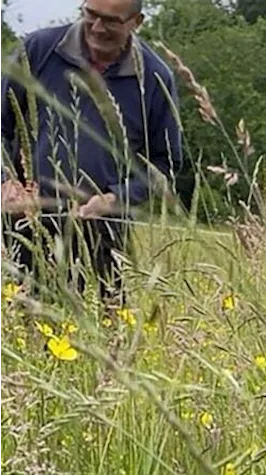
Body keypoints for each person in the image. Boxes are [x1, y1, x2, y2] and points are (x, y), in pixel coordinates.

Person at [0, 0, 183, 303]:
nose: (97, 28)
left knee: (97, 336)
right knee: (19, 329)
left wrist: (115, 198)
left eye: (110, 21)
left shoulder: (154, 77)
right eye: (91, 15)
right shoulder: (39, 49)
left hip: (100, 238)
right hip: (20, 228)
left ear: (136, 21)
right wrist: (5, 181)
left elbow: (166, 164)